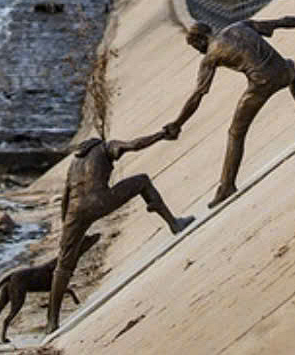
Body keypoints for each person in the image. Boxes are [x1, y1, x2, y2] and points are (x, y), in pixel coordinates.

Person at [166, 15, 295, 208]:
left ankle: (226, 185)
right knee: (291, 66)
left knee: (235, 132)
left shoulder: (211, 55)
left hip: (262, 84)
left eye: (196, 48)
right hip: (284, 72)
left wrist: (178, 123)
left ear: (200, 41)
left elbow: (197, 96)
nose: (199, 52)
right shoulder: (240, 26)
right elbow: (281, 21)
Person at [47, 131, 194, 333]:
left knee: (63, 265)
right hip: (99, 201)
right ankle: (173, 223)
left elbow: (65, 197)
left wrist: (67, 229)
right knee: (142, 181)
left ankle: (51, 322)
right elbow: (134, 143)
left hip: (74, 210)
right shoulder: (105, 147)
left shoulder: (74, 164)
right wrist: (161, 135)